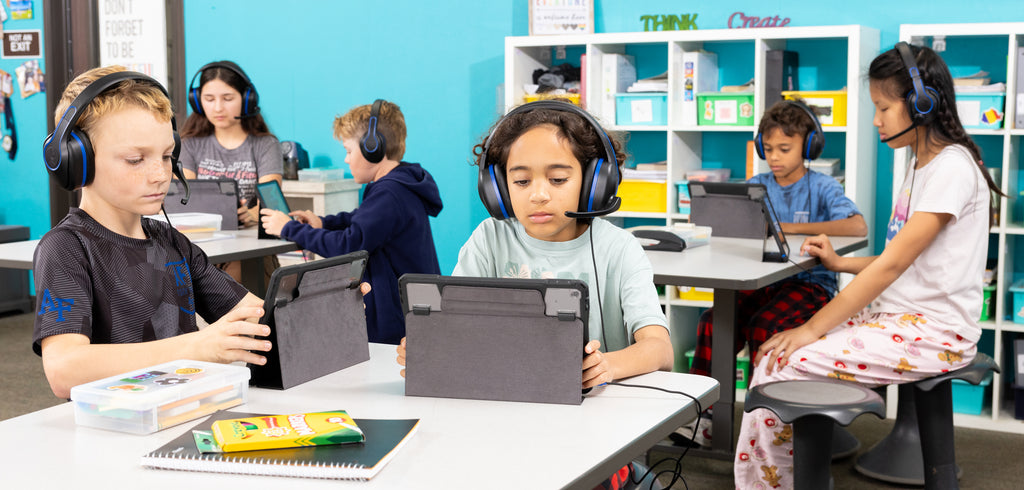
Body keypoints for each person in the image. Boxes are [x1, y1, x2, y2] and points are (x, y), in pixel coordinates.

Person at [734, 43, 1002, 488]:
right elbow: (902, 257)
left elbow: (893, 267)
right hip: (902, 316)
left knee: (784, 362)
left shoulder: (951, 168)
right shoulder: (922, 164)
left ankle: (773, 481)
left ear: (921, 103)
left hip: (937, 331)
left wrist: (810, 330)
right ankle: (778, 478)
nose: (876, 119)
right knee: (771, 354)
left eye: (882, 107)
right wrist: (841, 261)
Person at [395, 99, 673, 387]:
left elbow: (661, 349)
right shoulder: (490, 238)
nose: (538, 195)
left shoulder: (618, 248)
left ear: (594, 183)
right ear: (498, 188)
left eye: (557, 179)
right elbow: (454, 325)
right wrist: (429, 345)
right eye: (522, 182)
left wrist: (609, 366)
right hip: (508, 396)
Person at [33, 66, 271, 399]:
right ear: (77, 160)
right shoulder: (67, 248)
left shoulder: (170, 240)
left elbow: (257, 319)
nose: (160, 174)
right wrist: (198, 346)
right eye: (135, 159)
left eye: (166, 156)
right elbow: (64, 369)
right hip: (116, 431)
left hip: (183, 413)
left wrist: (324, 303)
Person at [678, 101, 868, 447]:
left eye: (785, 148)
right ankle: (702, 418)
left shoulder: (823, 187)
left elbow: (856, 225)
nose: (775, 157)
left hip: (810, 285)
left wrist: (789, 227)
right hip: (762, 281)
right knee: (712, 322)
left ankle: (763, 422)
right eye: (768, 149)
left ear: (808, 146)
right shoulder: (757, 184)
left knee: (765, 327)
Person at [260, 100, 443, 345]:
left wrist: (288, 228)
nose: (346, 160)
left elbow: (349, 244)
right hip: (409, 305)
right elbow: (361, 220)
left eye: (348, 150)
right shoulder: (400, 185)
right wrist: (322, 223)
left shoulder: (389, 194)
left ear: (373, 148)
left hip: (396, 316)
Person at [179, 61, 283, 281]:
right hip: (203, 247)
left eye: (227, 99)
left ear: (247, 100)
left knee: (237, 272)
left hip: (249, 248)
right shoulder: (189, 144)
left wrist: (253, 214)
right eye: (209, 99)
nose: (218, 108)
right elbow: (184, 201)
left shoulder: (266, 145)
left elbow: (270, 203)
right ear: (197, 102)